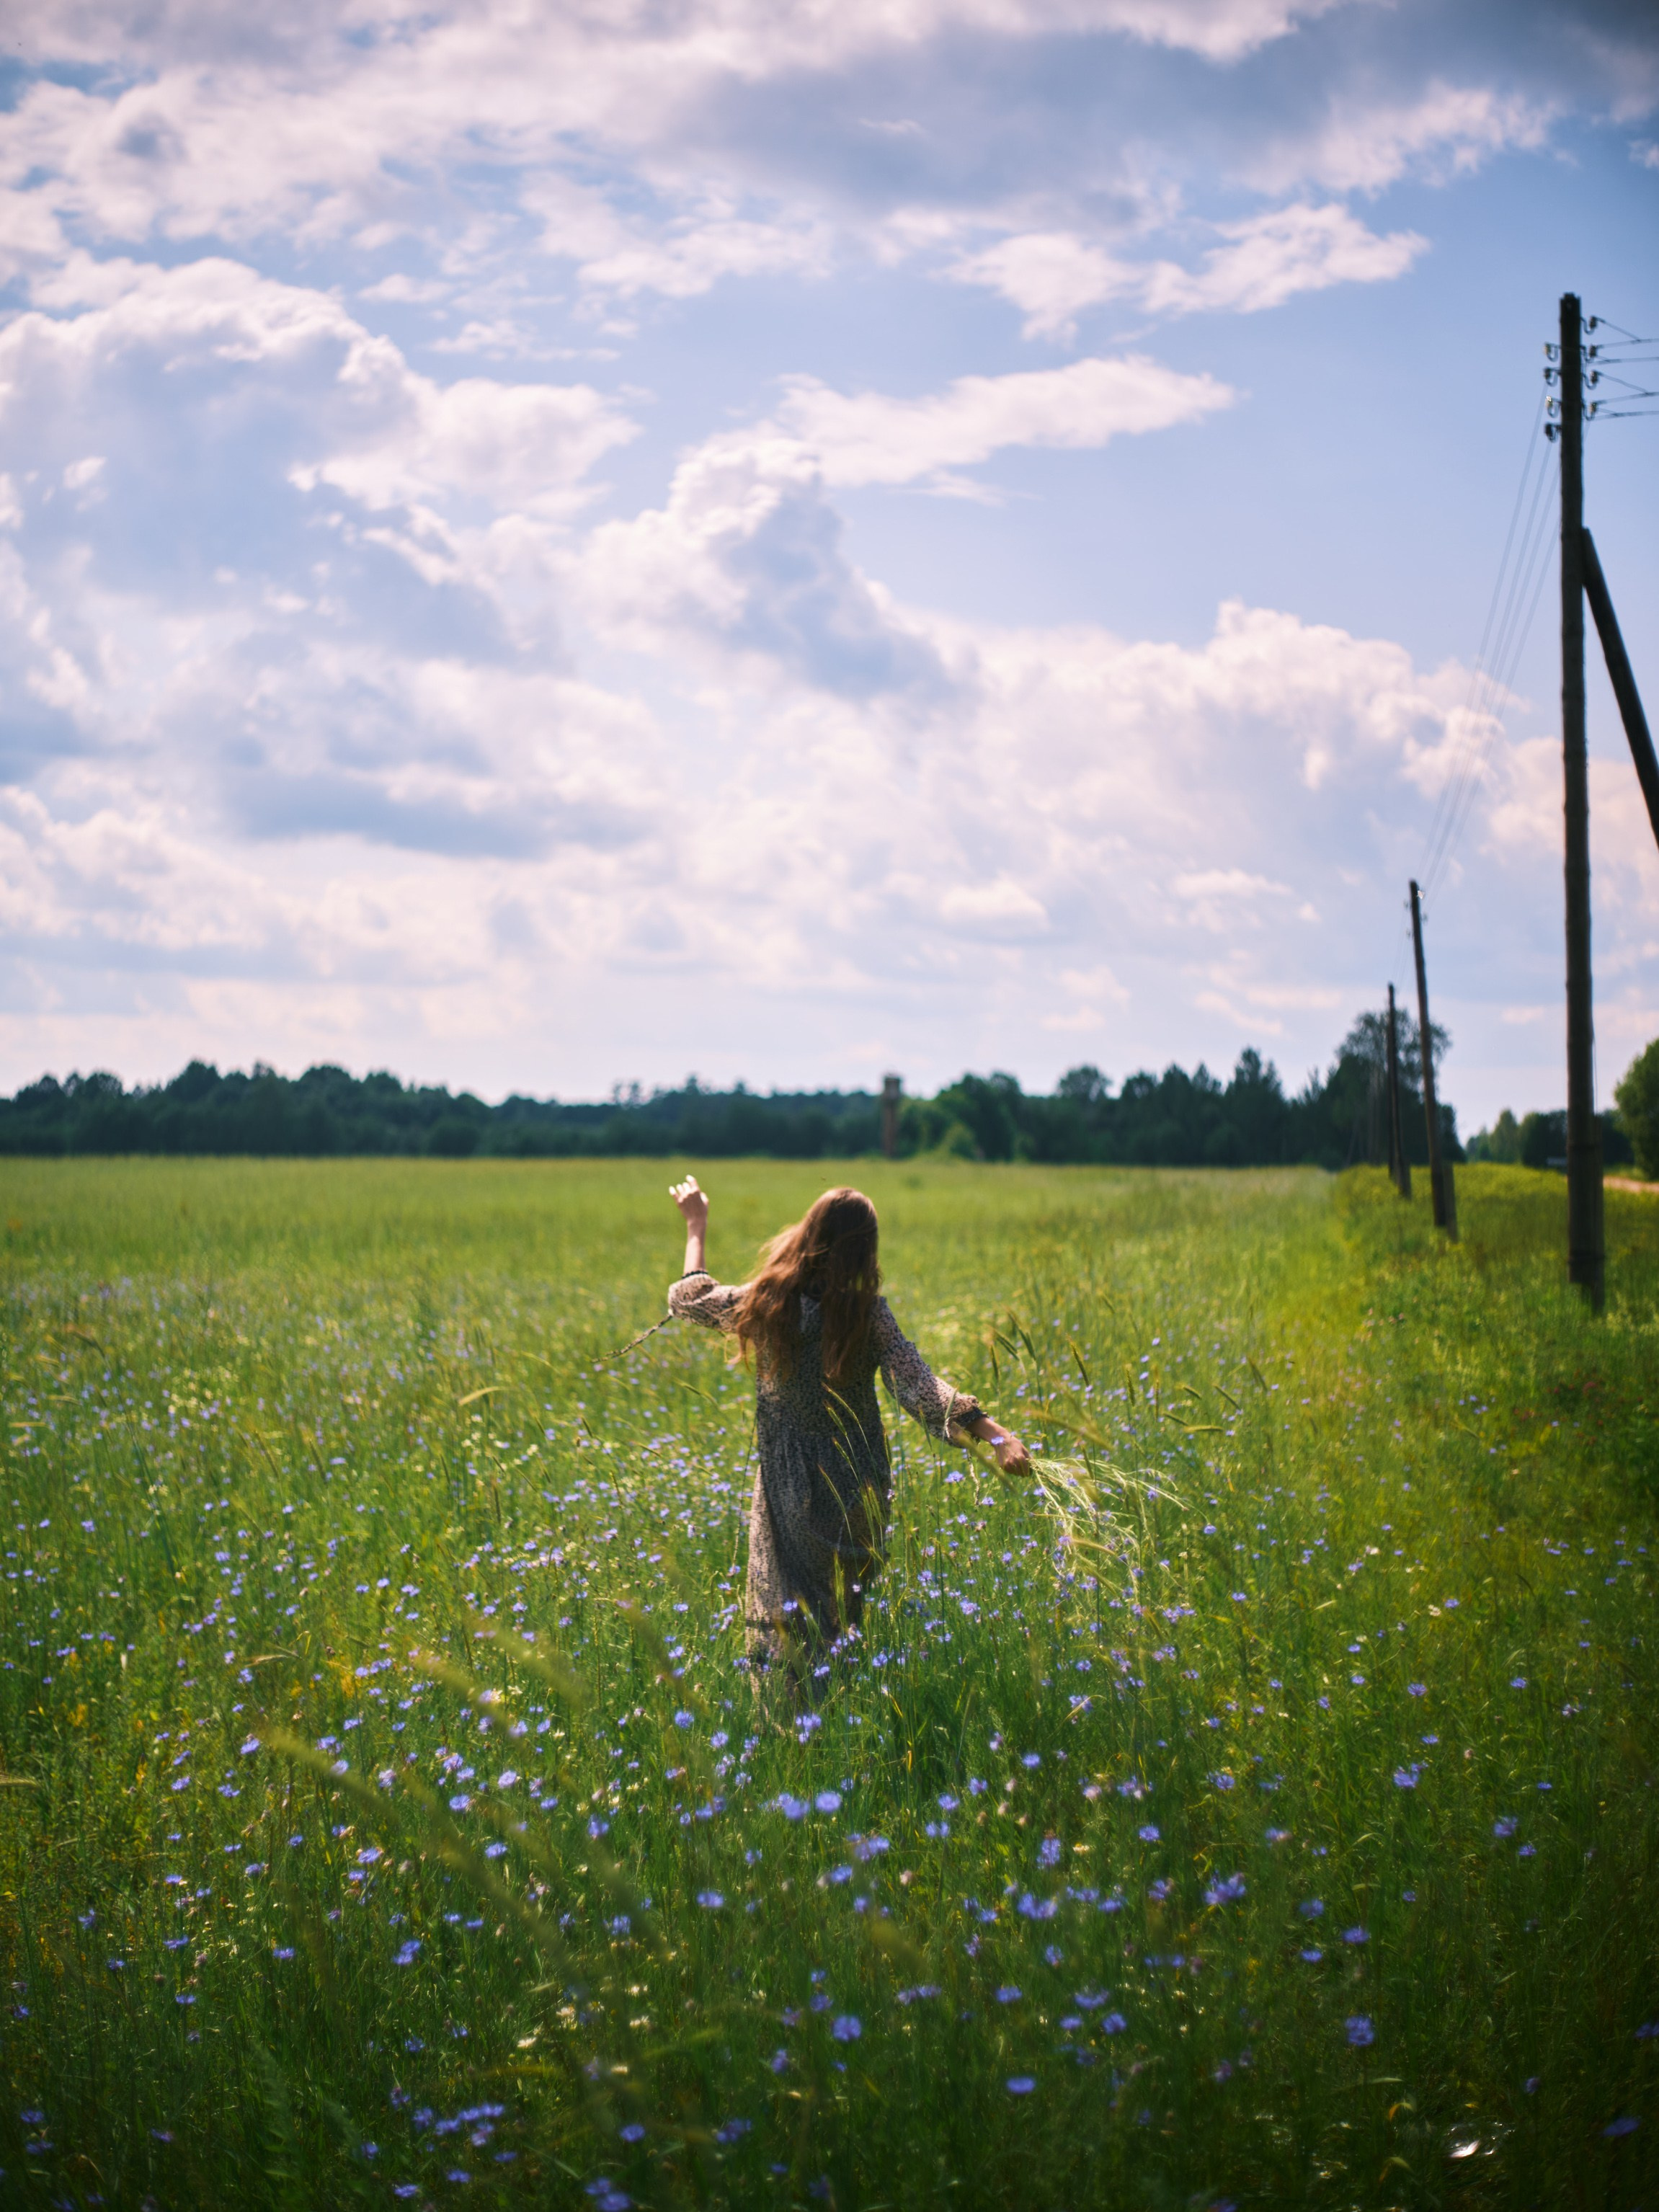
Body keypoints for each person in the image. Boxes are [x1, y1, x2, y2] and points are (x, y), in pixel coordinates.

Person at [667, 1175, 1030, 1676]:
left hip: (788, 1488)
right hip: (857, 1488)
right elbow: (921, 1386)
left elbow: (689, 1297)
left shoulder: (769, 1302)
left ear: (808, 1237)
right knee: (840, 1629)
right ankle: (838, 1719)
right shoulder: (868, 1314)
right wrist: (995, 1433)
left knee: (788, 1629)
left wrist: (696, 1224)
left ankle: (793, 1733)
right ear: (866, 1252)